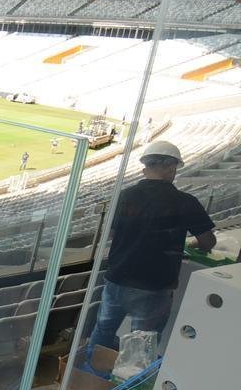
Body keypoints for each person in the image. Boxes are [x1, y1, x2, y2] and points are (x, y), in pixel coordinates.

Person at [86, 140, 215, 357]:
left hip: (116, 278)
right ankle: (127, 387)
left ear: (146, 166)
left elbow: (110, 234)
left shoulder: (125, 195)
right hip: (153, 286)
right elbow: (208, 242)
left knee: (103, 331)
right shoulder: (184, 202)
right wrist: (191, 244)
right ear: (171, 167)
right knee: (141, 346)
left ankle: (89, 375)